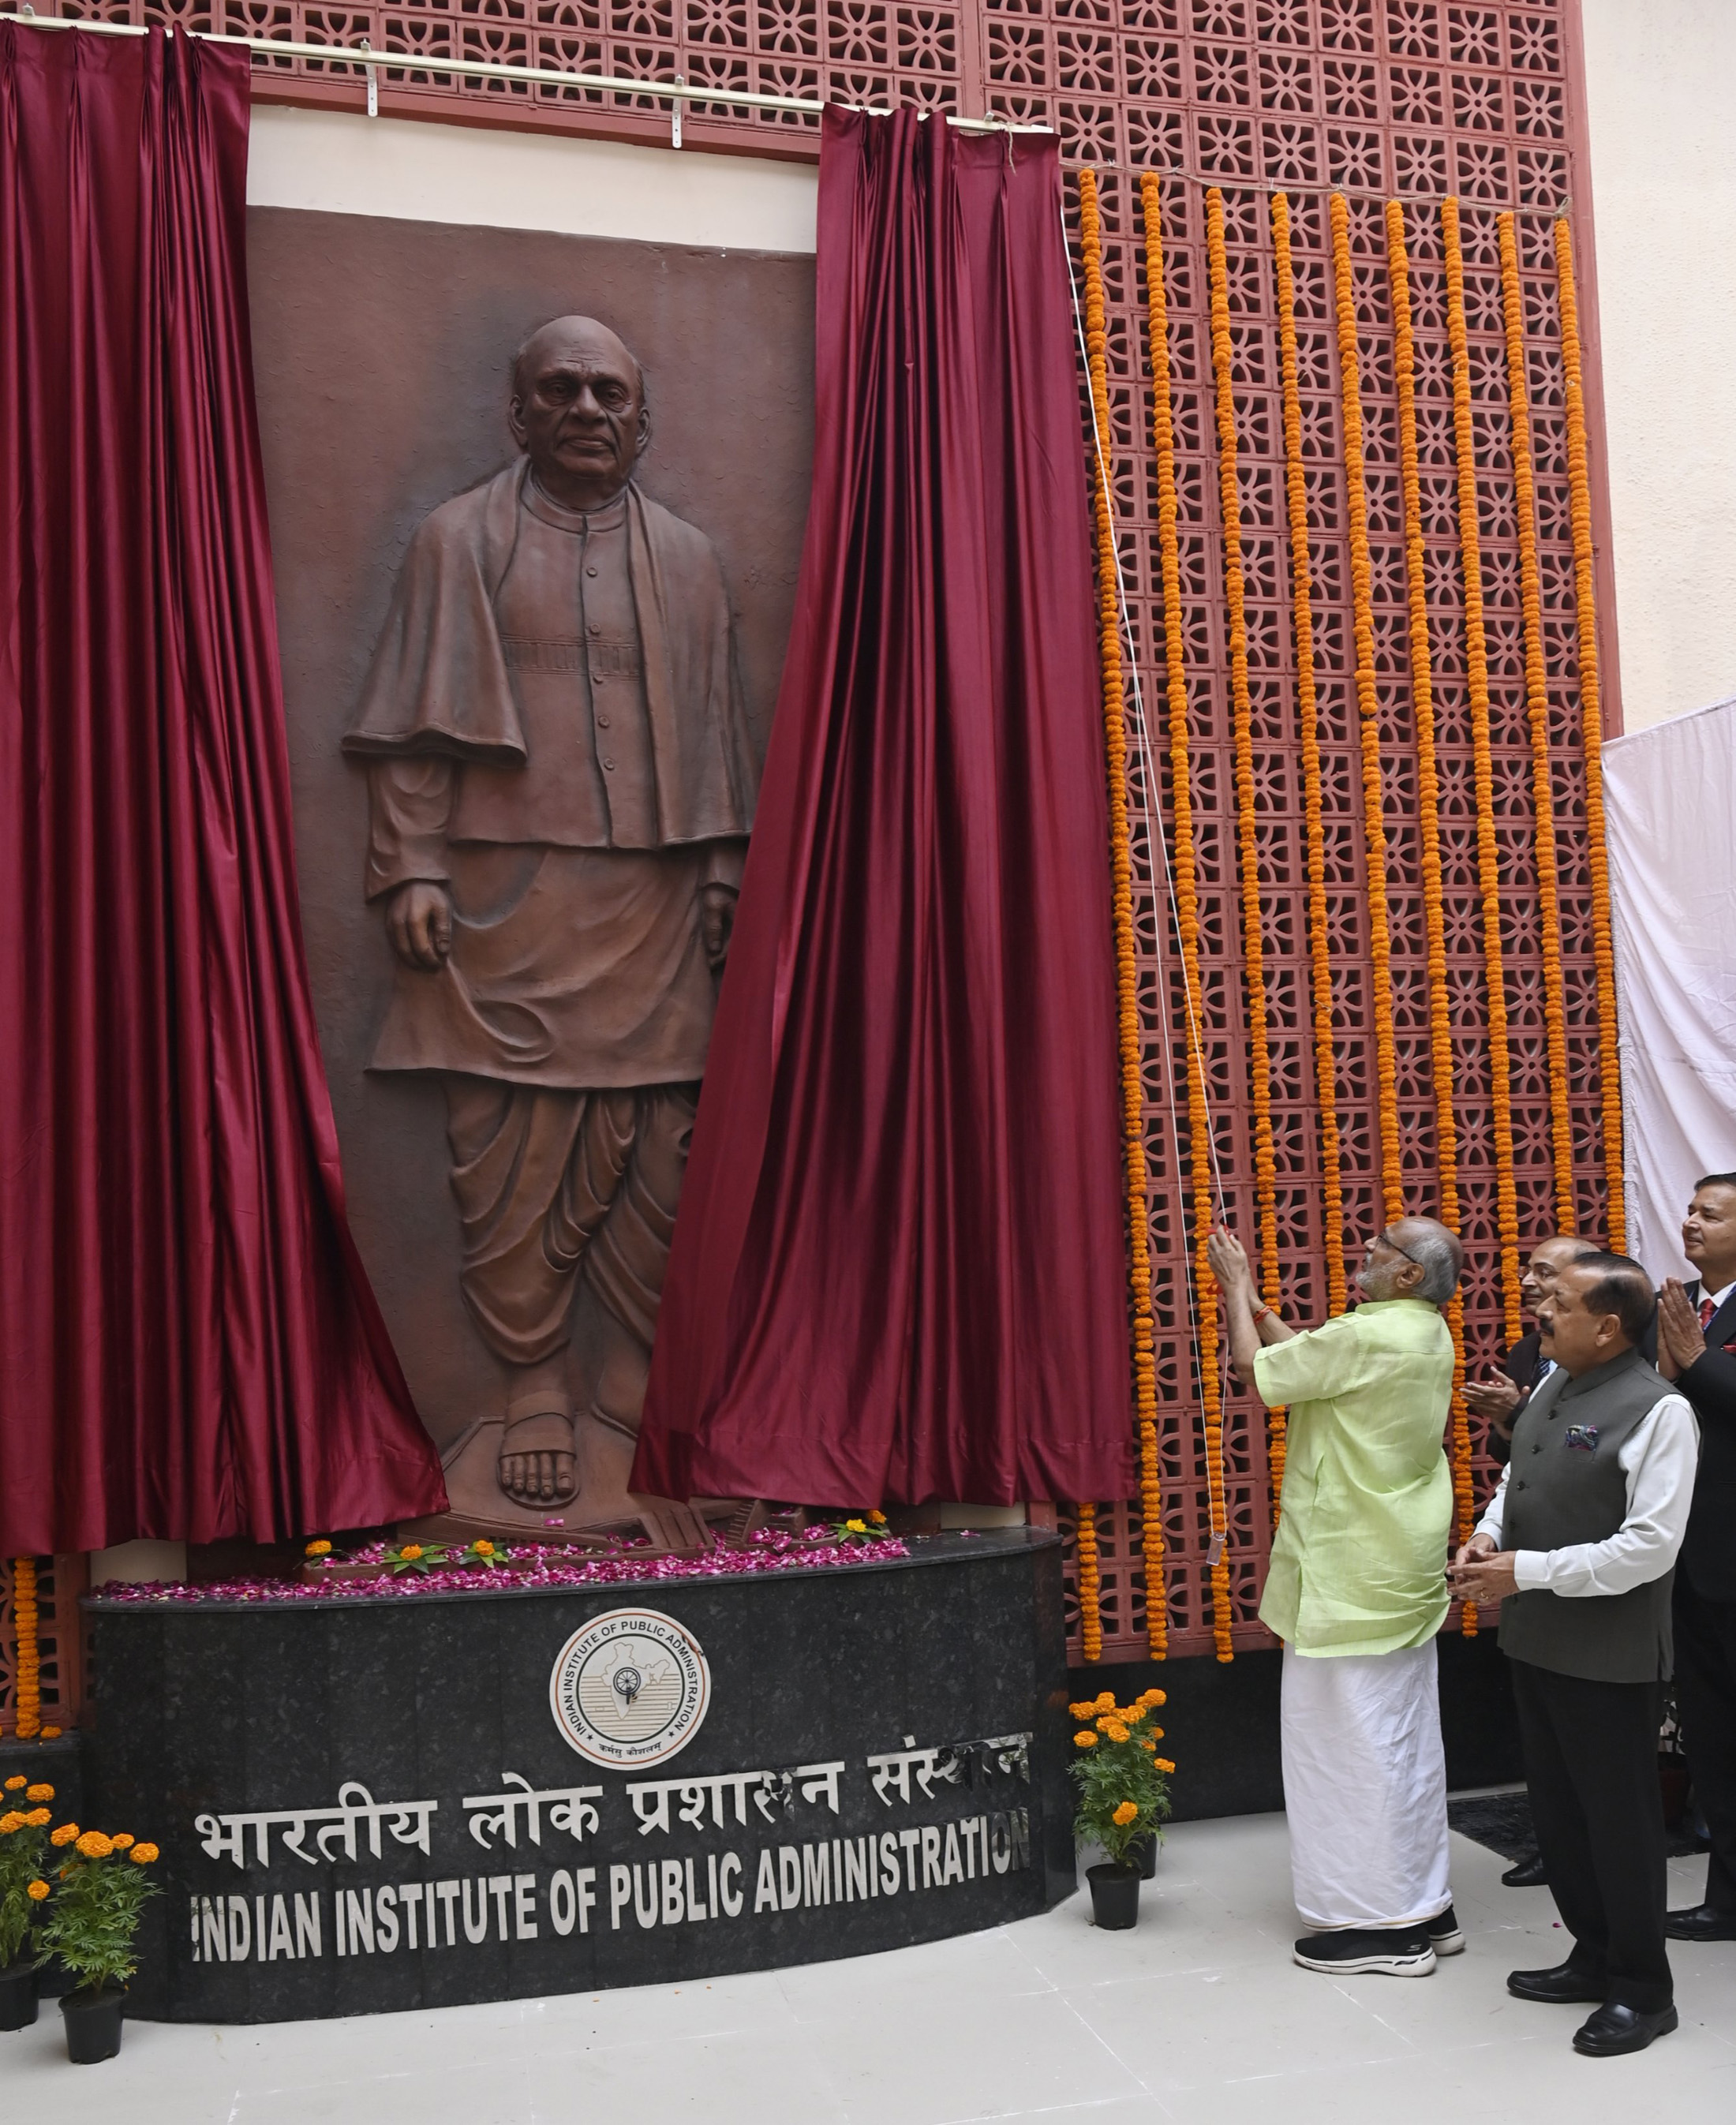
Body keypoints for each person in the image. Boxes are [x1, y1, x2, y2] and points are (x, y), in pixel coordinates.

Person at [343, 317, 758, 1521]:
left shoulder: (689, 558)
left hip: (657, 901)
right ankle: (531, 1384)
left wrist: (724, 866)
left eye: (610, 391)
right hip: (503, 900)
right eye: (560, 390)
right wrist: (411, 866)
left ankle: (632, 1381)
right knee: (509, 1148)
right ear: (519, 416)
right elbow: (418, 732)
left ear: (644, 419)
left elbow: (722, 733)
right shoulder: (454, 538)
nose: (587, 407)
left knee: (657, 1146)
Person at [1451, 1253, 1697, 2057]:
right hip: (1537, 1637)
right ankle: (1590, 1955)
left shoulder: (1659, 1411)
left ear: (1608, 1325)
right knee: (1558, 1814)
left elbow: (1649, 1547)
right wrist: (1491, 1531)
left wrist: (1523, 1571)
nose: (1539, 1312)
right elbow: (1522, 1471)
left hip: (1609, 1650)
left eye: (1556, 1302)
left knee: (1618, 1824)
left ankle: (1641, 1988)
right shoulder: (1555, 1382)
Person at [1209, 1218, 1462, 1978]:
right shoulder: (1421, 1332)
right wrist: (1258, 1302)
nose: (1366, 1255)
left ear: (1410, 1273)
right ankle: (1426, 1904)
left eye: (1381, 1249)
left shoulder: (1371, 1334)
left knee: (1345, 1753)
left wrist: (1232, 1287)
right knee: (1403, 1745)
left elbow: (1258, 1373)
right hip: (1398, 1565)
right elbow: (1309, 1360)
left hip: (1348, 1574)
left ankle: (1377, 1926)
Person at [1463, 1230, 1602, 1888]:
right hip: (1525, 1556)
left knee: (1592, 1733)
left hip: (1594, 1560)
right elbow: (1516, 1460)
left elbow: (1596, 1452)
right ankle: (1554, 1847)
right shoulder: (1528, 1351)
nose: (1527, 1282)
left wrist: (1520, 1415)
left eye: (1544, 1271)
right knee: (1541, 1726)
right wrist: (1507, 1420)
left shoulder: (1622, 1365)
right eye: (1526, 1271)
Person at [1656, 1172, 1736, 1943]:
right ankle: (1726, 1898)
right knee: (1712, 1739)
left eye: (1708, 1213)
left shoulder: (1688, 1325)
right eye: (1688, 1209)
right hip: (1684, 1563)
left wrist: (1695, 1358)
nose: (1690, 1223)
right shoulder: (1674, 1304)